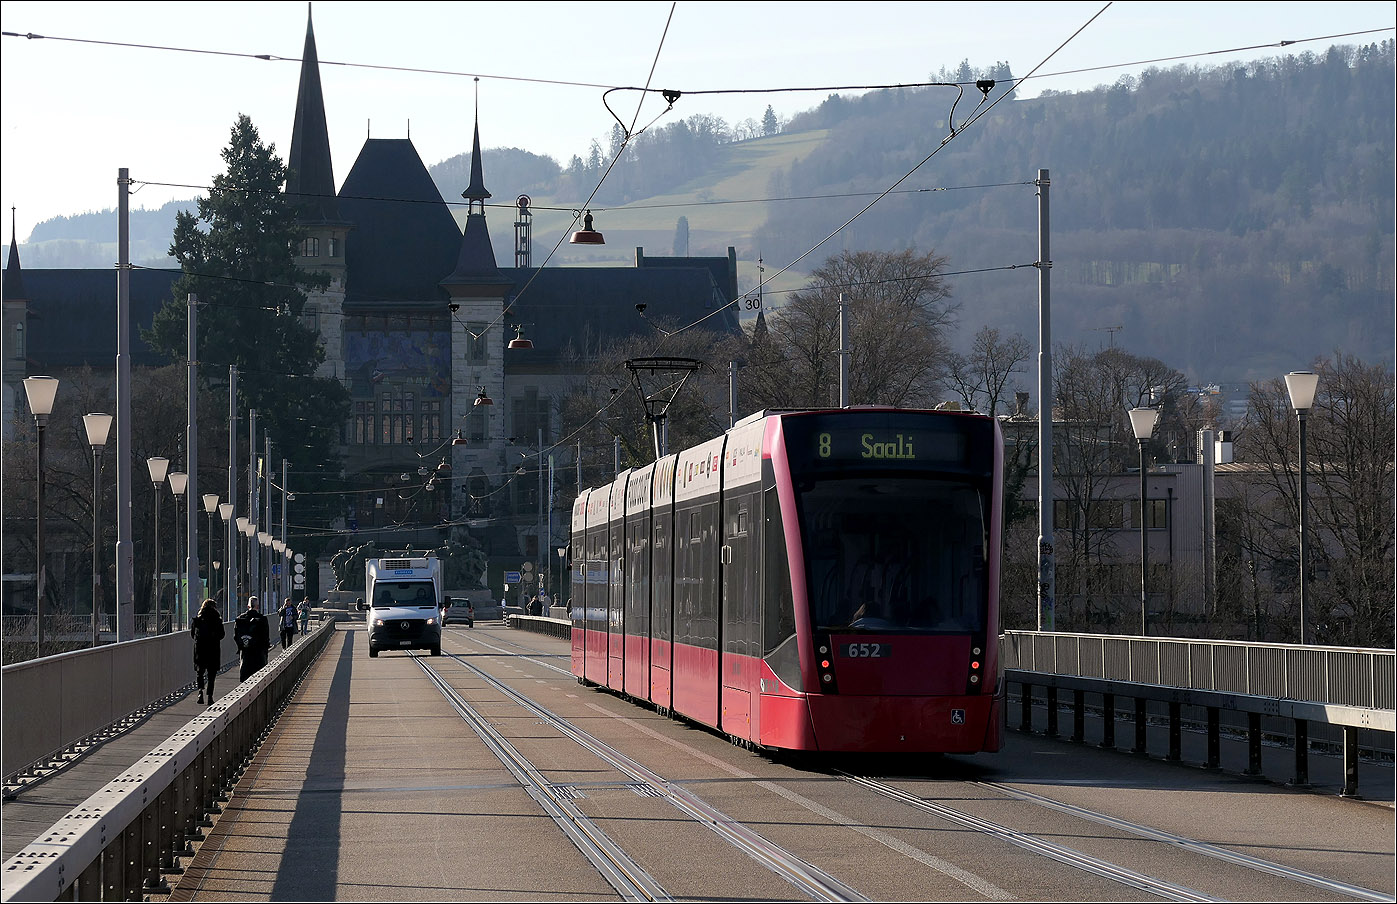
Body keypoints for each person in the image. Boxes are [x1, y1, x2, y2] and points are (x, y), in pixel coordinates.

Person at [191, 598, 225, 706]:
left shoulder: (197, 620)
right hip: (213, 650)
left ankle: (200, 692)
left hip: (200, 649)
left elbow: (192, 635)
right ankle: (210, 696)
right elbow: (222, 635)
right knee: (211, 674)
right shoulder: (217, 620)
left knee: (199, 672)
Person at [234, 596, 271, 680]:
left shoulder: (240, 619)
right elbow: (266, 636)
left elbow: (236, 636)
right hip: (259, 651)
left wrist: (241, 645)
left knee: (245, 674)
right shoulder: (262, 619)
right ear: (257, 606)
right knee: (258, 676)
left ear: (248, 606)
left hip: (245, 650)